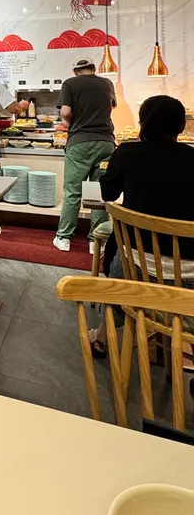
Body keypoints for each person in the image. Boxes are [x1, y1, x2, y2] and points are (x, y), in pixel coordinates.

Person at [89, 94, 194, 355]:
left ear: (142, 123)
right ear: (181, 126)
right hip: (189, 275)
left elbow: (108, 194)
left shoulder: (127, 153)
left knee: (119, 255)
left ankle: (103, 337)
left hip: (134, 266)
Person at [53, 57, 116, 254]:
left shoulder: (70, 83)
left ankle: (64, 237)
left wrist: (73, 122)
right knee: (99, 191)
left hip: (79, 142)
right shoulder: (107, 83)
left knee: (73, 191)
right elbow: (112, 106)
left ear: (75, 71)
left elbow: (65, 112)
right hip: (106, 142)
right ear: (93, 68)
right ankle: (96, 240)